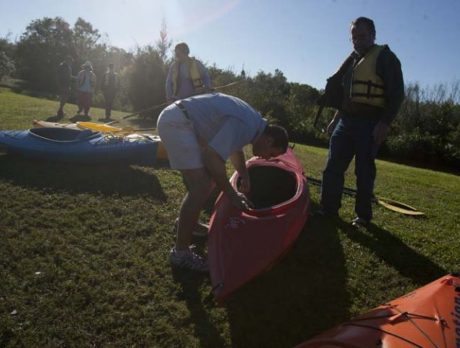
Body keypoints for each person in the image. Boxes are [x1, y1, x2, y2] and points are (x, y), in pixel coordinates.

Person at [157, 92, 289, 272]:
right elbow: (212, 157)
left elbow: (236, 149)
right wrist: (232, 194)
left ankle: (189, 224)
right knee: (202, 186)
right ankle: (180, 253)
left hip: (181, 120)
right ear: (269, 139)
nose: (267, 158)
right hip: (177, 123)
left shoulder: (252, 123)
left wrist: (245, 174)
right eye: (271, 154)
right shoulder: (247, 125)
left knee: (206, 183)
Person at [319, 17, 404, 229]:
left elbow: (397, 94)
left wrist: (384, 123)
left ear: (373, 35)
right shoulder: (352, 61)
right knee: (332, 167)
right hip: (345, 122)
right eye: (354, 37)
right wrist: (334, 120)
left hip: (371, 123)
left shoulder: (386, 58)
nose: (357, 41)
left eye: (362, 36)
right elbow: (346, 97)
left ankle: (362, 216)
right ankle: (328, 210)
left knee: (364, 171)